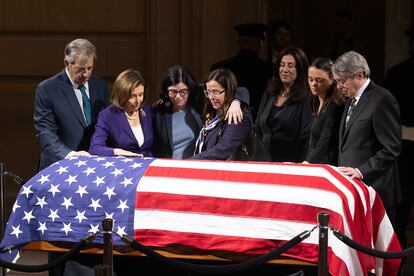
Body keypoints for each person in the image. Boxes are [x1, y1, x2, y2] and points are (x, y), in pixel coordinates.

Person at [333, 51, 402, 228]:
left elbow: (391, 148)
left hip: (376, 192)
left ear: (359, 75)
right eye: (337, 82)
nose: (339, 87)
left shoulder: (382, 99)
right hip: (354, 191)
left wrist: (361, 171)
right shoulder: (350, 99)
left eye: (342, 81)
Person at [34, 38, 108, 171]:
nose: (86, 74)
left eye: (90, 68)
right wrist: (70, 155)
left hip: (94, 167)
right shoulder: (47, 89)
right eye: (81, 69)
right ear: (67, 63)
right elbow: (45, 132)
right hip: (60, 167)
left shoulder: (100, 85)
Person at [152, 65, 250, 159]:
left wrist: (236, 101)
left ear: (190, 89)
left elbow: (241, 90)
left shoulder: (199, 105)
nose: (178, 96)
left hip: (197, 166)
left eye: (183, 91)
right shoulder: (159, 111)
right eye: (173, 91)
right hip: (169, 168)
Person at [255, 46, 312, 163]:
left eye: (290, 66)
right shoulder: (270, 92)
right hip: (263, 159)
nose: (285, 70)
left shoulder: (306, 97)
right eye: (282, 65)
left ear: (300, 69)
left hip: (290, 162)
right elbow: (258, 128)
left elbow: (306, 136)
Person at [384, 27, 414, 251]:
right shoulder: (397, 74)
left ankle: (397, 263)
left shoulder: (396, 73)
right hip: (402, 150)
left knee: (400, 215)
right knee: (400, 215)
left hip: (403, 150)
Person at [210, 23, 272, 119]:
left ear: (238, 42)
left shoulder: (219, 68)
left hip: (225, 120)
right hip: (258, 122)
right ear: (260, 43)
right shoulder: (268, 69)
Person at [192, 68, 253, 160]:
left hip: (230, 173)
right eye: (208, 92)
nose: (211, 97)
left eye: (215, 92)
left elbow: (222, 150)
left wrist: (191, 162)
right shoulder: (214, 113)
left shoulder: (237, 115)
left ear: (228, 91)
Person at [89, 69, 153, 157]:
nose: (138, 101)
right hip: (124, 167)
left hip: (147, 166)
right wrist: (117, 152)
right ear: (122, 95)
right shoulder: (108, 115)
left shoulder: (147, 110)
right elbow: (95, 148)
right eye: (133, 96)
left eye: (140, 95)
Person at [303, 57, 344, 165]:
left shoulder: (335, 105)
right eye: (310, 79)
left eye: (319, 80)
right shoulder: (314, 101)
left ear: (331, 80)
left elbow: (326, 140)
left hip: (327, 164)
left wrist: (307, 162)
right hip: (315, 162)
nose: (313, 84)